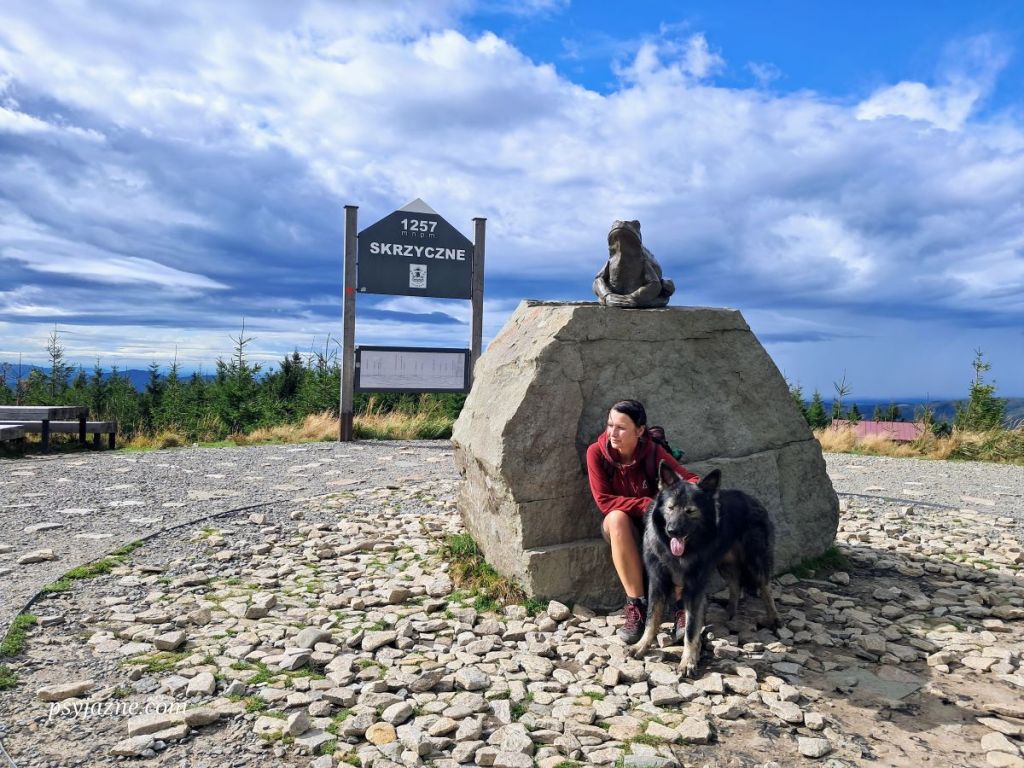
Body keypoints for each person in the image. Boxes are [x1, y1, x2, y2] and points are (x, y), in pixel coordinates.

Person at [586, 399, 699, 644]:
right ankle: (636, 606)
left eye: (621, 427)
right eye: (610, 425)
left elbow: (687, 477)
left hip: (657, 530)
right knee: (615, 518)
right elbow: (605, 502)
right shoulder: (596, 453)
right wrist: (648, 505)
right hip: (625, 529)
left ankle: (682, 607)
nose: (612, 433)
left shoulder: (653, 452)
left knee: (679, 522)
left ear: (640, 431)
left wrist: (693, 492)